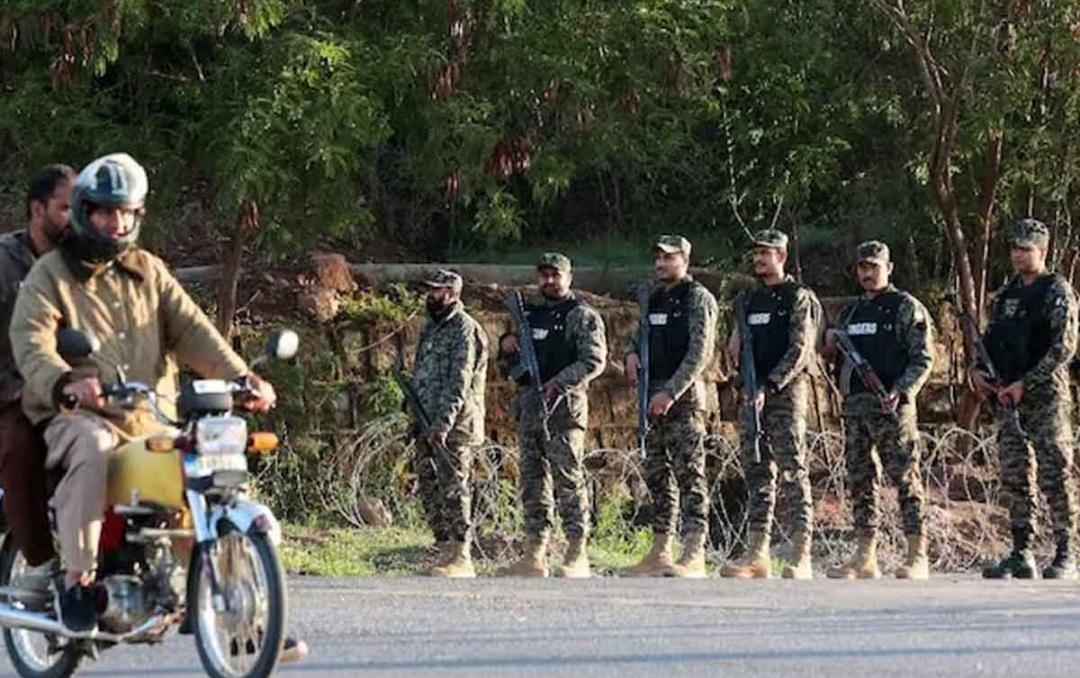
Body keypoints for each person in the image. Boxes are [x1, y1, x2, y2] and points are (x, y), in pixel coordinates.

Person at [9, 154, 308, 661]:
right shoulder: (49, 274)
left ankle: (239, 620)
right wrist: (65, 383)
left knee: (198, 467)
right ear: (85, 210)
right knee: (93, 445)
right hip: (77, 417)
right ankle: (78, 583)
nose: (117, 223)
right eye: (105, 212)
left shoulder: (150, 271)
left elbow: (193, 332)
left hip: (150, 417)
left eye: (126, 213)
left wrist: (241, 377)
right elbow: (31, 340)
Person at [822, 241, 934, 580]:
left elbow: (923, 359)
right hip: (855, 408)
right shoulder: (851, 312)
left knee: (905, 479)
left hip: (891, 408)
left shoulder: (904, 307)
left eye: (874, 267)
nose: (868, 274)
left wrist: (901, 391)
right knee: (860, 481)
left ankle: (917, 553)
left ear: (889, 268)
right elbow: (835, 357)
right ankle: (864, 554)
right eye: (862, 268)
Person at [973, 218, 1079, 580]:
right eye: (1015, 249)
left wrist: (1026, 382)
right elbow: (990, 341)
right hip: (1007, 397)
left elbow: (1063, 347)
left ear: (1042, 251)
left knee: (1054, 473)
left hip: (1044, 397)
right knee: (1015, 475)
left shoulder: (1056, 291)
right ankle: (1021, 550)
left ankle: (1066, 550)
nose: (1018, 256)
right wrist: (978, 374)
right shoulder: (1006, 295)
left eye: (1026, 249)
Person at [497, 253, 607, 578]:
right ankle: (535, 553)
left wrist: (558, 384)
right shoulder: (528, 316)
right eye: (543, 275)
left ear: (569, 278)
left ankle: (577, 551)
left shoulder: (581, 315)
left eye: (555, 275)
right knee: (532, 483)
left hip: (563, 411)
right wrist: (508, 348)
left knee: (568, 480)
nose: (549, 280)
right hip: (530, 409)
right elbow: (510, 367)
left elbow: (593, 360)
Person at [721, 229, 821, 580]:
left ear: (781, 255)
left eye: (766, 252)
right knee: (757, 473)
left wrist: (772, 384)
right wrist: (734, 345)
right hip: (751, 391)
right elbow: (737, 343)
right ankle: (756, 552)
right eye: (756, 253)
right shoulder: (747, 300)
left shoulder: (798, 297)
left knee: (792, 471)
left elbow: (800, 349)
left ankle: (800, 553)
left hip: (785, 394)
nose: (759, 258)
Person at [620, 236, 718, 578]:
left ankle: (694, 550)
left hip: (683, 401)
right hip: (651, 396)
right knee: (657, 476)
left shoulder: (697, 299)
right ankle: (661, 549)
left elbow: (699, 354)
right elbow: (640, 337)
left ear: (685, 260)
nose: (661, 264)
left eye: (669, 258)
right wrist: (630, 353)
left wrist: (671, 393)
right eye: (658, 257)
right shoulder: (653, 298)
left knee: (690, 475)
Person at [0, 164, 75, 587]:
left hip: (72, 395)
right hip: (11, 397)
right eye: (66, 208)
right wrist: (18, 390)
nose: (76, 217)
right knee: (19, 448)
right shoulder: (4, 265)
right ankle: (42, 564)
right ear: (36, 210)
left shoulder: (84, 263)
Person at [410, 269, 488, 577]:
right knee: (429, 486)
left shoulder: (464, 329)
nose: (431, 295)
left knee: (455, 487)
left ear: (453, 294)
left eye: (438, 291)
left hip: (453, 427)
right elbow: (422, 371)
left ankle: (462, 553)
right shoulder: (431, 327)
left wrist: (443, 422)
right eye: (430, 290)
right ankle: (443, 549)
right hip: (425, 420)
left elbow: (460, 381)